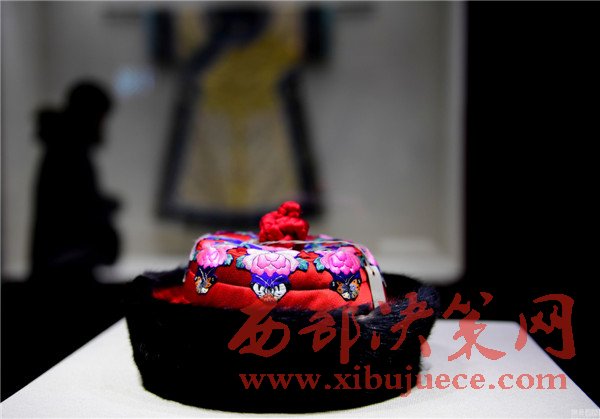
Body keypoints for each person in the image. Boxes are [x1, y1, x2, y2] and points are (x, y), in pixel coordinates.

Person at [29, 81, 120, 285]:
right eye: (100, 117)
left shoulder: (62, 150)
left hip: (60, 273)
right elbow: (72, 213)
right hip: (65, 277)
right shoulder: (70, 155)